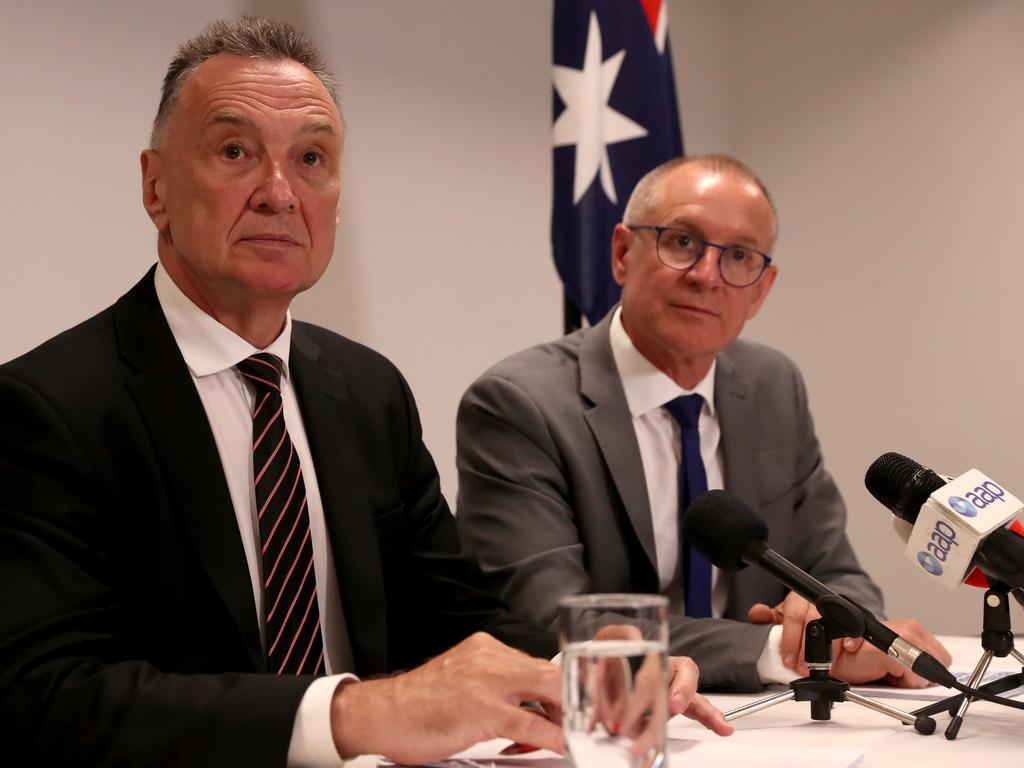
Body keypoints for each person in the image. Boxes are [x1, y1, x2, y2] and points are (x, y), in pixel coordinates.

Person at [0, 18, 728, 768]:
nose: (279, 193)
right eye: (234, 152)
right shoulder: (46, 408)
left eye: (311, 158)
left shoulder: (367, 389)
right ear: (155, 185)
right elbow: (45, 696)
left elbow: (456, 615)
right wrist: (353, 713)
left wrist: (583, 669)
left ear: (337, 203)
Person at [456, 153, 951, 693]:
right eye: (683, 242)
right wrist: (782, 651)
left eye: (739, 256)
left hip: (768, 729)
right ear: (623, 253)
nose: (707, 276)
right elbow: (548, 620)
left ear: (760, 289)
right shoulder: (520, 404)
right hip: (610, 723)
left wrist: (831, 623)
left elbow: (837, 572)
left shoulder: (772, 387)